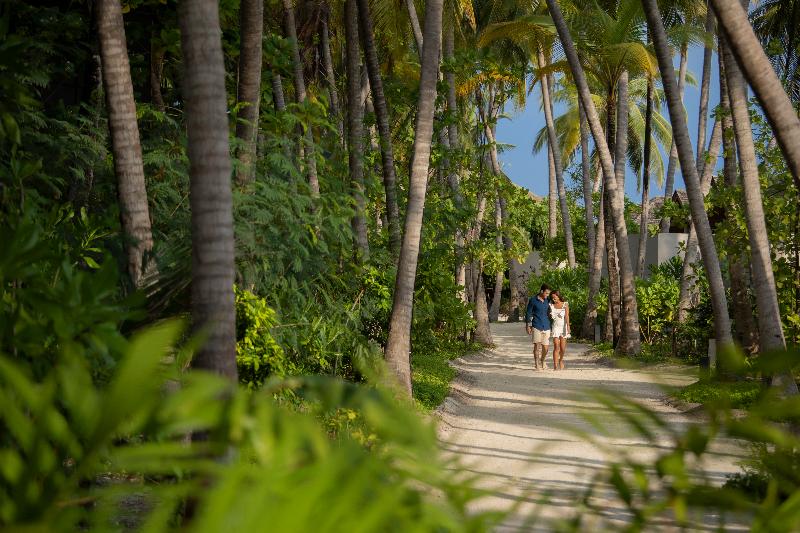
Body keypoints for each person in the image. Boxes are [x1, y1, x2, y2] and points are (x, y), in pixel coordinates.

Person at [525, 284, 552, 370]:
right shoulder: (533, 300)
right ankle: (537, 364)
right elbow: (528, 312)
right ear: (541, 291)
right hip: (536, 325)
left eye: (548, 294)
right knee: (537, 346)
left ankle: (543, 360)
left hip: (547, 325)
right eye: (546, 293)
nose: (547, 295)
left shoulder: (548, 300)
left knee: (546, 347)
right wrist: (528, 325)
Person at [549, 291, 570, 370]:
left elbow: (567, 316)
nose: (553, 299)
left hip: (563, 327)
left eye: (555, 297)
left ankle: (561, 360)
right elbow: (549, 316)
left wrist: (568, 326)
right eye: (552, 297)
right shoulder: (551, 305)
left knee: (562, 348)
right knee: (556, 346)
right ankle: (555, 365)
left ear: (558, 296)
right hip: (555, 327)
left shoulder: (565, 304)